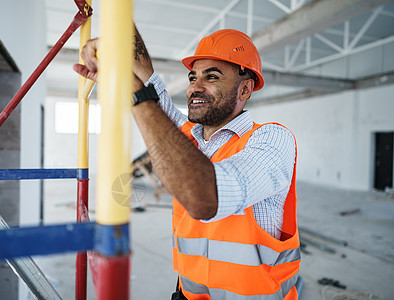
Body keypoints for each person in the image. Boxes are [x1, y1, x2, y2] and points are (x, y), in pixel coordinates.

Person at [74, 27, 301, 300]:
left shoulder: (271, 139)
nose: (195, 87)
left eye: (212, 77)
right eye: (193, 77)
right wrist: (116, 24)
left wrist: (134, 92)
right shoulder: (190, 138)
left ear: (245, 88)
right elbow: (149, 79)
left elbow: (206, 198)